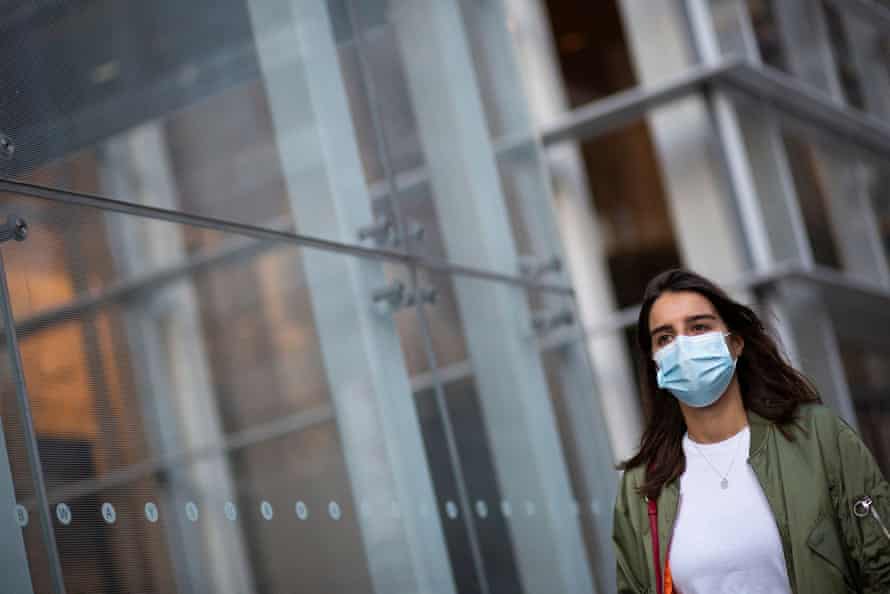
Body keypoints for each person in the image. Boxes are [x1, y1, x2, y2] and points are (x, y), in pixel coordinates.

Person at [612, 268, 890, 594]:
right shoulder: (643, 485)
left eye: (699, 327)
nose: (683, 347)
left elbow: (881, 568)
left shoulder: (818, 437)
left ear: (735, 344)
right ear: (656, 363)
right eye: (665, 338)